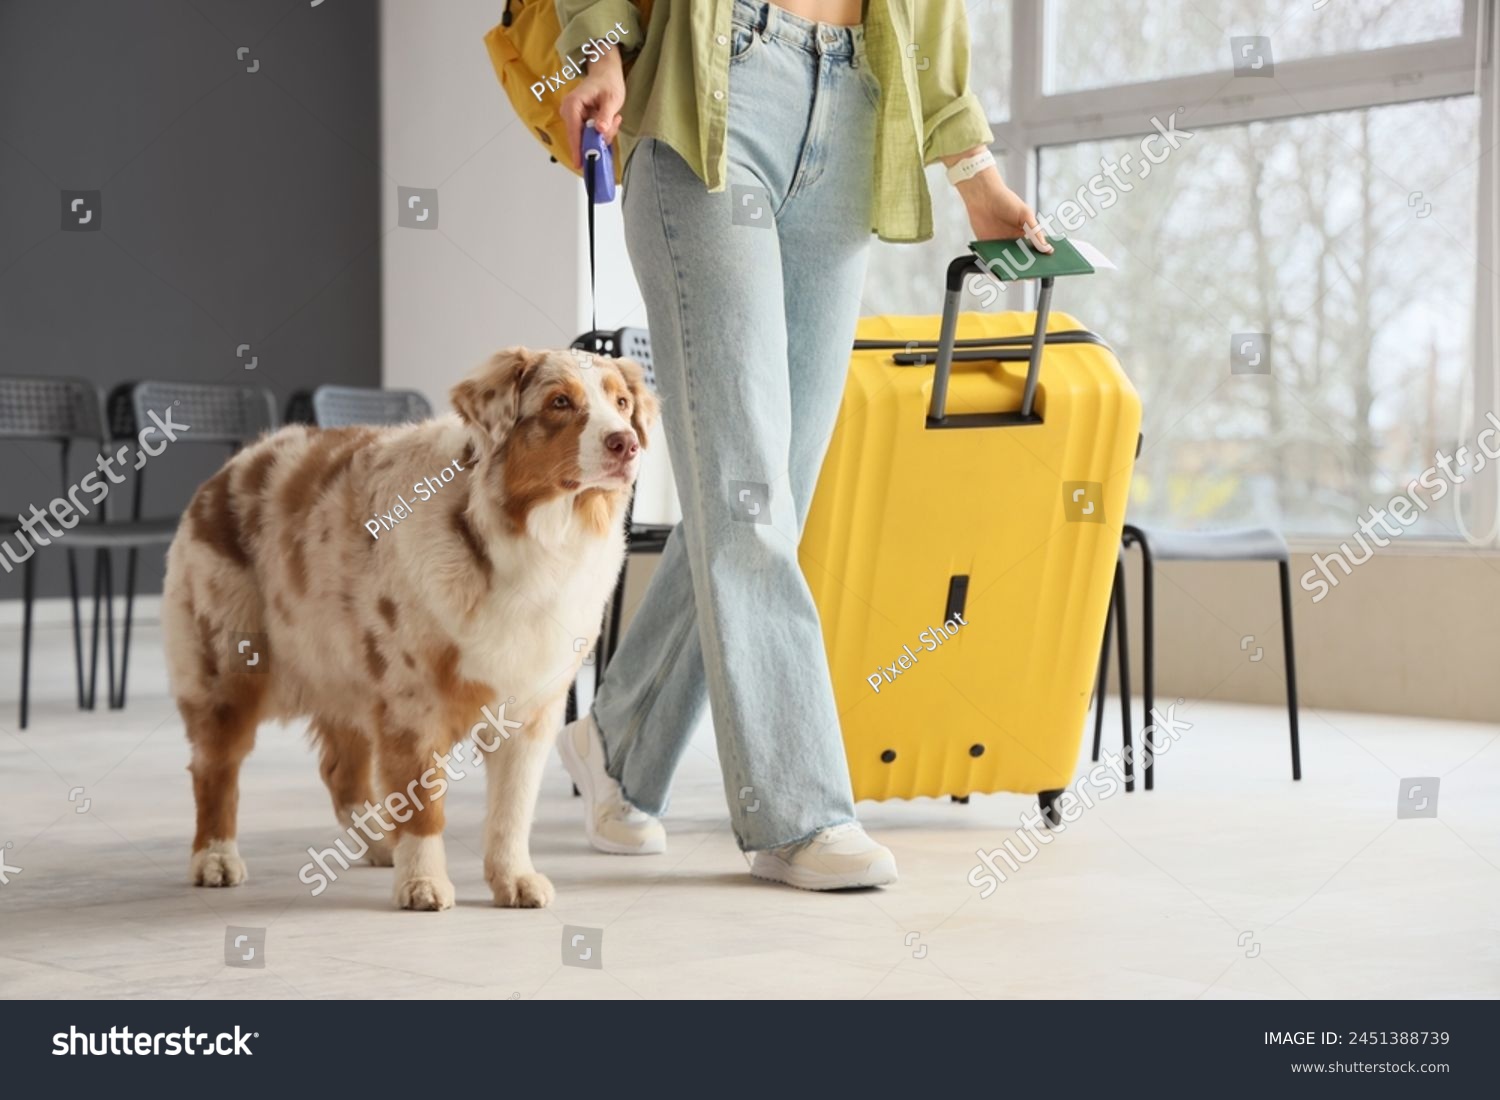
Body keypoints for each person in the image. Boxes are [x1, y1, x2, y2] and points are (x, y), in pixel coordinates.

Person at [554, 0, 1049, 890]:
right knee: (748, 485)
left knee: (772, 488)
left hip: (857, 101)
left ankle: (615, 738)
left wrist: (977, 177)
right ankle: (799, 811)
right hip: (716, 90)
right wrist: (597, 48)